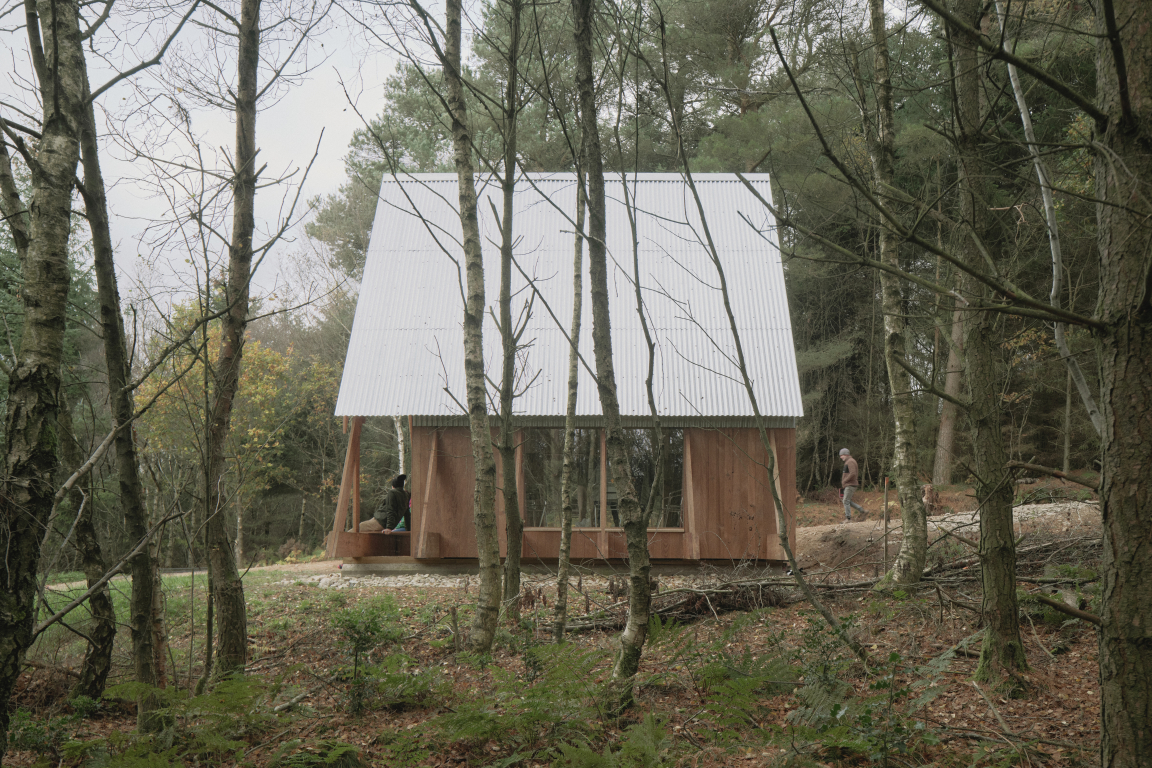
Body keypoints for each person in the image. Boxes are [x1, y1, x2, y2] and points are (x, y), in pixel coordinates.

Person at [839, 448, 865, 522]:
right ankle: (861, 510)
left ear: (846, 455)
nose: (841, 457)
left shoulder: (850, 462)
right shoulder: (849, 461)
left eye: (842, 455)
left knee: (846, 500)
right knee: (846, 500)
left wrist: (845, 480)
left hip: (850, 484)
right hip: (849, 484)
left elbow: (853, 473)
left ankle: (848, 518)